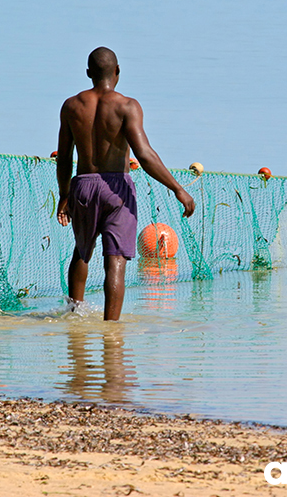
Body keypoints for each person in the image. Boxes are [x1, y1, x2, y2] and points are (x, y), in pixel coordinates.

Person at [56, 47, 195, 321]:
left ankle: (74, 316)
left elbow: (63, 157)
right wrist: (178, 188)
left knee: (82, 252)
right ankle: (111, 330)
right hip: (116, 188)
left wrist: (64, 194)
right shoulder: (126, 106)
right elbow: (144, 154)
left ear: (88, 74)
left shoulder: (71, 106)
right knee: (115, 260)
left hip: (82, 185)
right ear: (117, 71)